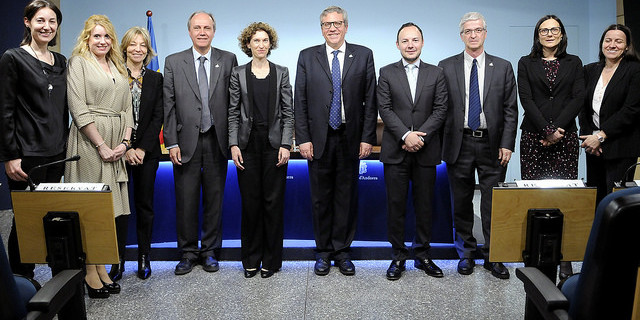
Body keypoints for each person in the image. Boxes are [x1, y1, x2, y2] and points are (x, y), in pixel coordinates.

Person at [294, 5, 377, 276]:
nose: (333, 28)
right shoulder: (307, 56)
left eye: (338, 23)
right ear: (321, 28)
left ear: (346, 26)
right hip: (318, 140)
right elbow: (300, 101)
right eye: (328, 24)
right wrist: (303, 138)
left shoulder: (363, 55)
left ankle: (342, 252)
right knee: (320, 199)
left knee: (346, 197)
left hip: (350, 138)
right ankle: (323, 251)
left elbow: (370, 100)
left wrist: (367, 138)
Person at [438, 12, 517, 279]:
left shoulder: (503, 66)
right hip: (458, 142)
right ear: (461, 35)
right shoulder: (445, 66)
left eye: (478, 30)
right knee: (460, 201)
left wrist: (507, 143)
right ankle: (467, 253)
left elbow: (510, 110)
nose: (473, 35)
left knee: (493, 202)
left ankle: (494, 256)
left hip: (492, 145)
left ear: (485, 33)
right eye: (468, 31)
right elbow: (440, 108)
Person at [164, 11, 237, 275]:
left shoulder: (227, 60)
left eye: (207, 27)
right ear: (190, 31)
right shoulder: (173, 62)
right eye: (197, 27)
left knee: (214, 199)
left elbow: (234, 103)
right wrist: (171, 142)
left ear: (214, 31)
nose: (202, 32)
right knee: (186, 199)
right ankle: (187, 252)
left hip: (217, 140)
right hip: (185, 142)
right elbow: (168, 106)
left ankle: (209, 251)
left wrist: (233, 141)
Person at [65, 14, 133, 298]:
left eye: (106, 36)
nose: (102, 41)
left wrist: (125, 142)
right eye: (96, 36)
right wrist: (102, 144)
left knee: (108, 212)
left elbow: (128, 107)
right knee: (90, 211)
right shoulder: (79, 63)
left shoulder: (117, 64)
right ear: (86, 39)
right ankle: (90, 271)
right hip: (89, 144)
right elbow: (77, 106)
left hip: (117, 145)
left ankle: (102, 267)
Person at [0, 0, 67, 280]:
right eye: (40, 20)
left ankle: (57, 280)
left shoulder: (61, 61)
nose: (47, 27)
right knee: (26, 221)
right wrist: (10, 155)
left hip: (57, 153)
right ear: (27, 22)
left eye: (52, 21)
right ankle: (21, 280)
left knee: (52, 217)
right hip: (26, 155)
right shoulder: (13, 58)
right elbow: (4, 110)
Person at [378, 22, 448, 280]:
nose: (410, 44)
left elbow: (441, 109)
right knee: (395, 206)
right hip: (396, 150)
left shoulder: (436, 73)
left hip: (426, 151)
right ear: (398, 45)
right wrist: (406, 135)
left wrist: (420, 137)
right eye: (405, 41)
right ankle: (398, 257)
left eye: (415, 40)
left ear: (421, 43)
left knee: (424, 206)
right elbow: (384, 108)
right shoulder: (386, 72)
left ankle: (422, 255)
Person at [517, 14, 585, 279]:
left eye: (554, 29)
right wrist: (545, 129)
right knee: (535, 197)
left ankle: (564, 257)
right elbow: (526, 98)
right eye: (544, 30)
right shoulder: (526, 62)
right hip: (534, 136)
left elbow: (578, 97)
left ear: (562, 33)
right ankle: (535, 256)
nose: (549, 34)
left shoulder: (574, 62)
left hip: (565, 138)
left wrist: (558, 130)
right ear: (537, 35)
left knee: (562, 197)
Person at [228, 22, 293, 279]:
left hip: (275, 146)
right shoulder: (238, 73)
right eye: (256, 41)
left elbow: (289, 113)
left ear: (271, 44)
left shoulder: (282, 72)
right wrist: (233, 144)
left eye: (265, 40)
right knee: (251, 204)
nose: (261, 45)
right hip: (247, 146)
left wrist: (286, 144)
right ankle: (251, 259)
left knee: (273, 204)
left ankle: (272, 260)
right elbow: (233, 112)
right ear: (248, 44)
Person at [117, 26, 163, 280]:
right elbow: (112, 114)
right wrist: (124, 148)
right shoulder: (112, 74)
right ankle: (116, 259)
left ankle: (144, 257)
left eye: (143, 45)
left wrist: (141, 148)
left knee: (145, 205)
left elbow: (158, 116)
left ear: (148, 50)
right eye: (133, 44)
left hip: (147, 153)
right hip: (116, 152)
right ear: (125, 47)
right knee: (119, 208)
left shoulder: (156, 79)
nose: (138, 49)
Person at [579, 24, 640, 205]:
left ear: (627, 46)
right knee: (597, 201)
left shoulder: (635, 70)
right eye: (608, 40)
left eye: (618, 41)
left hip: (621, 146)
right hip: (594, 148)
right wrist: (591, 138)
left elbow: (631, 109)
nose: (612, 45)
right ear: (602, 44)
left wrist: (601, 136)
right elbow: (583, 108)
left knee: (616, 203)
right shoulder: (590, 70)